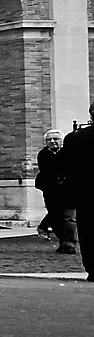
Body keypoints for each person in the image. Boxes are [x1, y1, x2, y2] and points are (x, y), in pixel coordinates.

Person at [58, 116, 94, 281]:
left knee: (88, 230)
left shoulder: (76, 137)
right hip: (83, 190)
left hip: (84, 191)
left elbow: (64, 164)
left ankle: (93, 268)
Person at [34, 128, 74, 252]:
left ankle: (69, 243)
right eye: (49, 140)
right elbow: (46, 171)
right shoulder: (43, 154)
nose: (52, 141)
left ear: (61, 140)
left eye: (55, 139)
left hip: (68, 189)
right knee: (55, 217)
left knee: (69, 217)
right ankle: (63, 240)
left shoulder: (69, 152)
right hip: (51, 189)